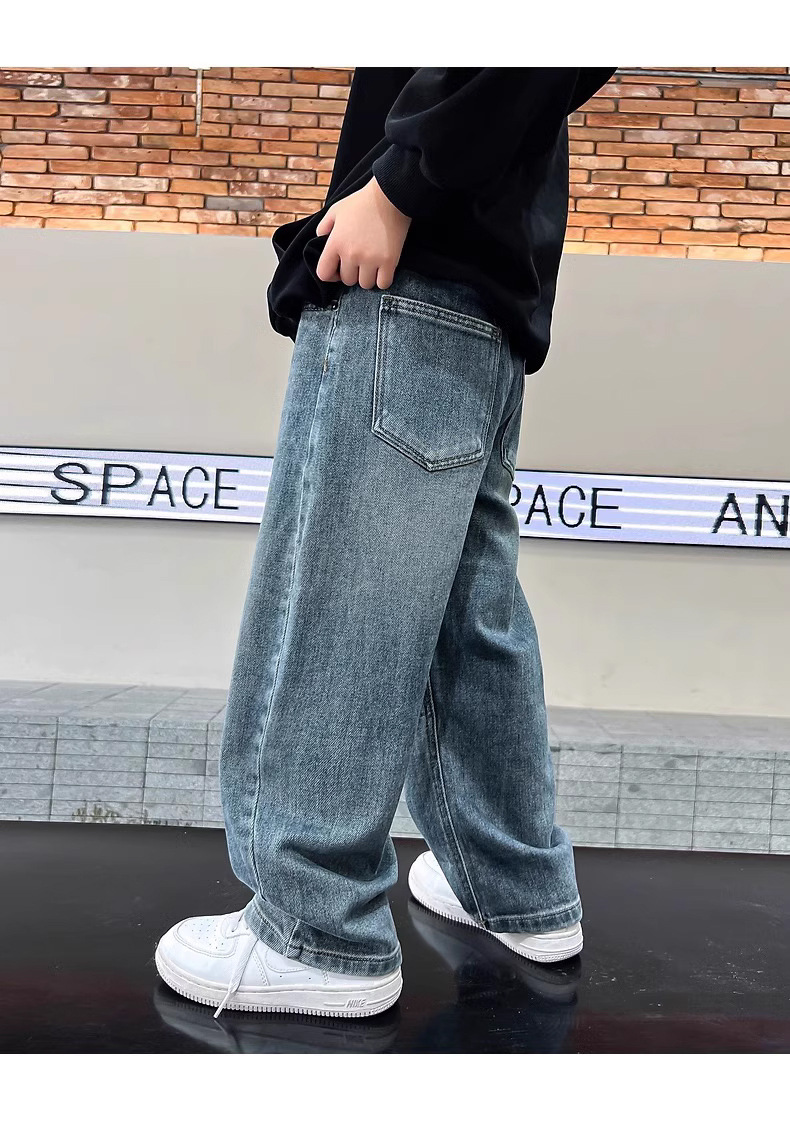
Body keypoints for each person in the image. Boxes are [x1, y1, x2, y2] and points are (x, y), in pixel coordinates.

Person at [155, 66, 617, 1018]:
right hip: (483, 294)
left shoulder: (412, 198)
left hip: (413, 269)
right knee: (464, 607)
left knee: (341, 597)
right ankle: (514, 887)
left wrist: (399, 185)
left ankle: (315, 929)